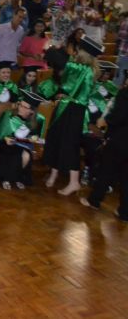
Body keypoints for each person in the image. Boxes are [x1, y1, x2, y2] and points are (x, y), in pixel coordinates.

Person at [44, 35, 101, 196]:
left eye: (79, 49)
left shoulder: (84, 69)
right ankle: (54, 174)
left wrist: (51, 49)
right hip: (70, 107)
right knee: (58, 140)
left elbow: (63, 65)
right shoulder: (86, 69)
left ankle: (74, 182)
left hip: (73, 111)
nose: (76, 52)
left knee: (69, 145)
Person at [80, 82, 128, 222]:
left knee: (106, 170)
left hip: (119, 139)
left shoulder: (125, 94)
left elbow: (117, 117)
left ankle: (94, 201)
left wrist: (106, 121)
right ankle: (124, 212)